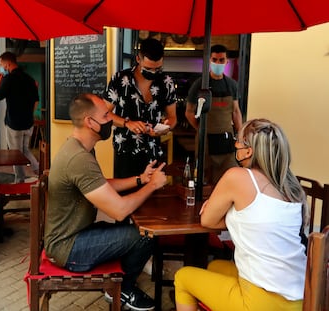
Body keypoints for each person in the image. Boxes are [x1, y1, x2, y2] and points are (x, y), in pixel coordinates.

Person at [44, 93, 167, 311]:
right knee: (146, 234)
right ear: (89, 122)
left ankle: (120, 285)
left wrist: (140, 179)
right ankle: (123, 289)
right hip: (69, 248)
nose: (111, 119)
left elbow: (100, 184)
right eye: (106, 115)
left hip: (74, 236)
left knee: (131, 228)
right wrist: (153, 186)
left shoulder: (80, 148)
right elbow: (119, 210)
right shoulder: (79, 159)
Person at [174, 118, 308, 311]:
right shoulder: (289, 187)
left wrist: (216, 207)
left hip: (260, 303)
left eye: (237, 140)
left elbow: (207, 220)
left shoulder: (237, 177)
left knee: (183, 278)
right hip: (298, 299)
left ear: (248, 151)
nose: (234, 144)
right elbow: (256, 221)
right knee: (215, 268)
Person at [104, 38, 177, 178]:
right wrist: (127, 123)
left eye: (158, 69)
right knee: (125, 196)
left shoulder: (166, 83)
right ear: (138, 58)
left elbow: (172, 118)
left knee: (154, 197)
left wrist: (165, 128)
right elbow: (104, 112)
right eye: (149, 69)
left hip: (153, 152)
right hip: (125, 151)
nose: (154, 73)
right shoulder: (120, 79)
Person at [185, 44, 243, 185]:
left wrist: (241, 134)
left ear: (226, 61)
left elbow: (235, 111)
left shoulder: (232, 85)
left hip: (226, 139)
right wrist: (200, 128)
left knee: (229, 178)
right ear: (209, 60)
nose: (218, 63)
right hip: (205, 141)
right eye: (215, 59)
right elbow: (189, 112)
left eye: (221, 60)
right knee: (204, 179)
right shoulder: (199, 85)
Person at [0, 51, 39, 183]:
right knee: (24, 149)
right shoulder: (30, 80)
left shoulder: (8, 80)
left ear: (8, 64)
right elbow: (36, 100)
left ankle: (19, 180)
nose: (2, 67)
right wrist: (29, 114)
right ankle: (39, 170)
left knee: (15, 153)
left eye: (2, 64)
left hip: (14, 123)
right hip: (28, 123)